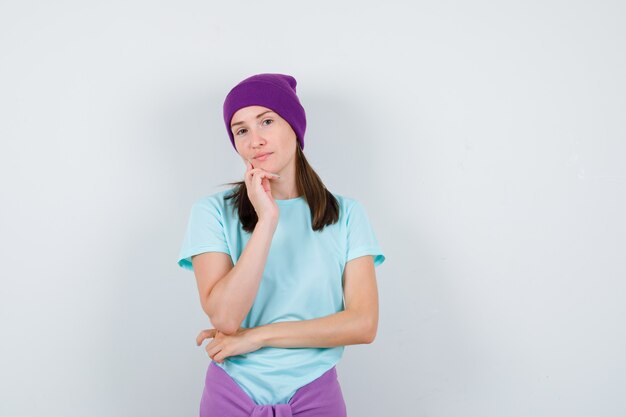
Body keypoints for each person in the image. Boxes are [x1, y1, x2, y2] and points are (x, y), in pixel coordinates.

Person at [177, 73, 386, 417]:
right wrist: (267, 222)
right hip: (231, 394)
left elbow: (363, 325)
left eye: (267, 121)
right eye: (241, 130)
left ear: (294, 126)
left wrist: (258, 337)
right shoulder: (211, 213)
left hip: (315, 393)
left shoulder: (347, 215)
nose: (254, 140)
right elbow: (226, 318)